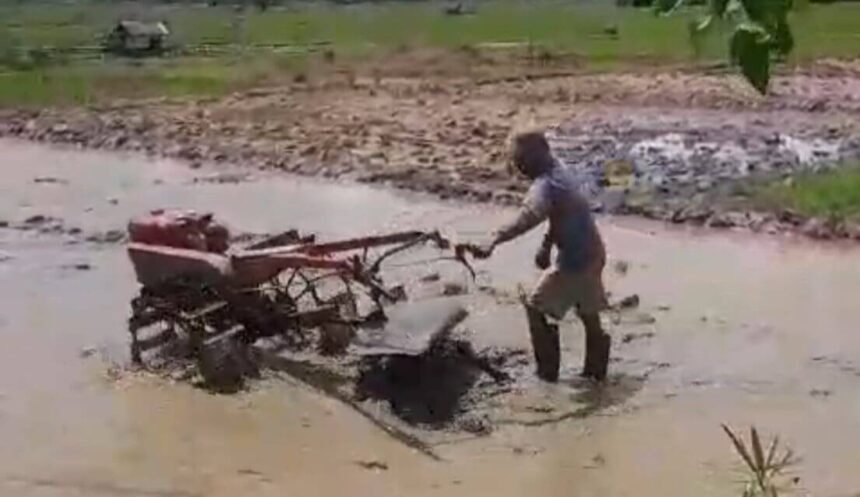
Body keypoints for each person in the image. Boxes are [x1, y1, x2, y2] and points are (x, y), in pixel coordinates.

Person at [471, 130, 611, 382]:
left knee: (536, 308)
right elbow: (559, 213)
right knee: (589, 314)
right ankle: (596, 377)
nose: (518, 166)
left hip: (575, 262)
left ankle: (547, 376)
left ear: (536, 156)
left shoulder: (546, 185)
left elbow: (529, 216)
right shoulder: (561, 171)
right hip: (593, 252)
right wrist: (546, 245)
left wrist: (493, 239)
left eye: (520, 159)